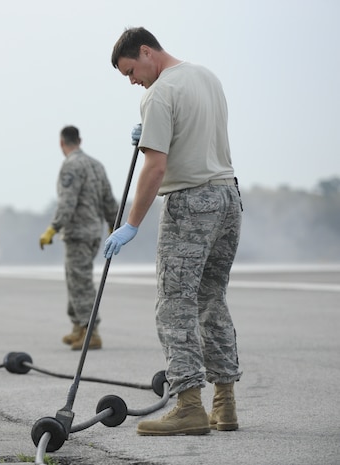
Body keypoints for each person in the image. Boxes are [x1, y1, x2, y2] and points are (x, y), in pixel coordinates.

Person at [106, 27, 243, 436]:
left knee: (174, 304)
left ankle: (187, 405)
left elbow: (156, 166)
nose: (133, 81)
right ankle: (225, 403)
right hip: (228, 197)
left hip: (190, 202)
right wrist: (150, 132)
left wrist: (131, 224)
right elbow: (195, 135)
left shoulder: (159, 92)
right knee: (211, 299)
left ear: (146, 52)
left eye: (131, 70)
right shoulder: (206, 77)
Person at [39, 126, 119, 350]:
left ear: (61, 143)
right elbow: (109, 200)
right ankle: (78, 328)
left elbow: (67, 202)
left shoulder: (71, 166)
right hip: (94, 232)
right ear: (79, 140)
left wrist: (53, 228)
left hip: (78, 233)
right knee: (75, 280)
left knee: (80, 283)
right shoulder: (96, 165)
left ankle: (91, 331)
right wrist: (114, 225)